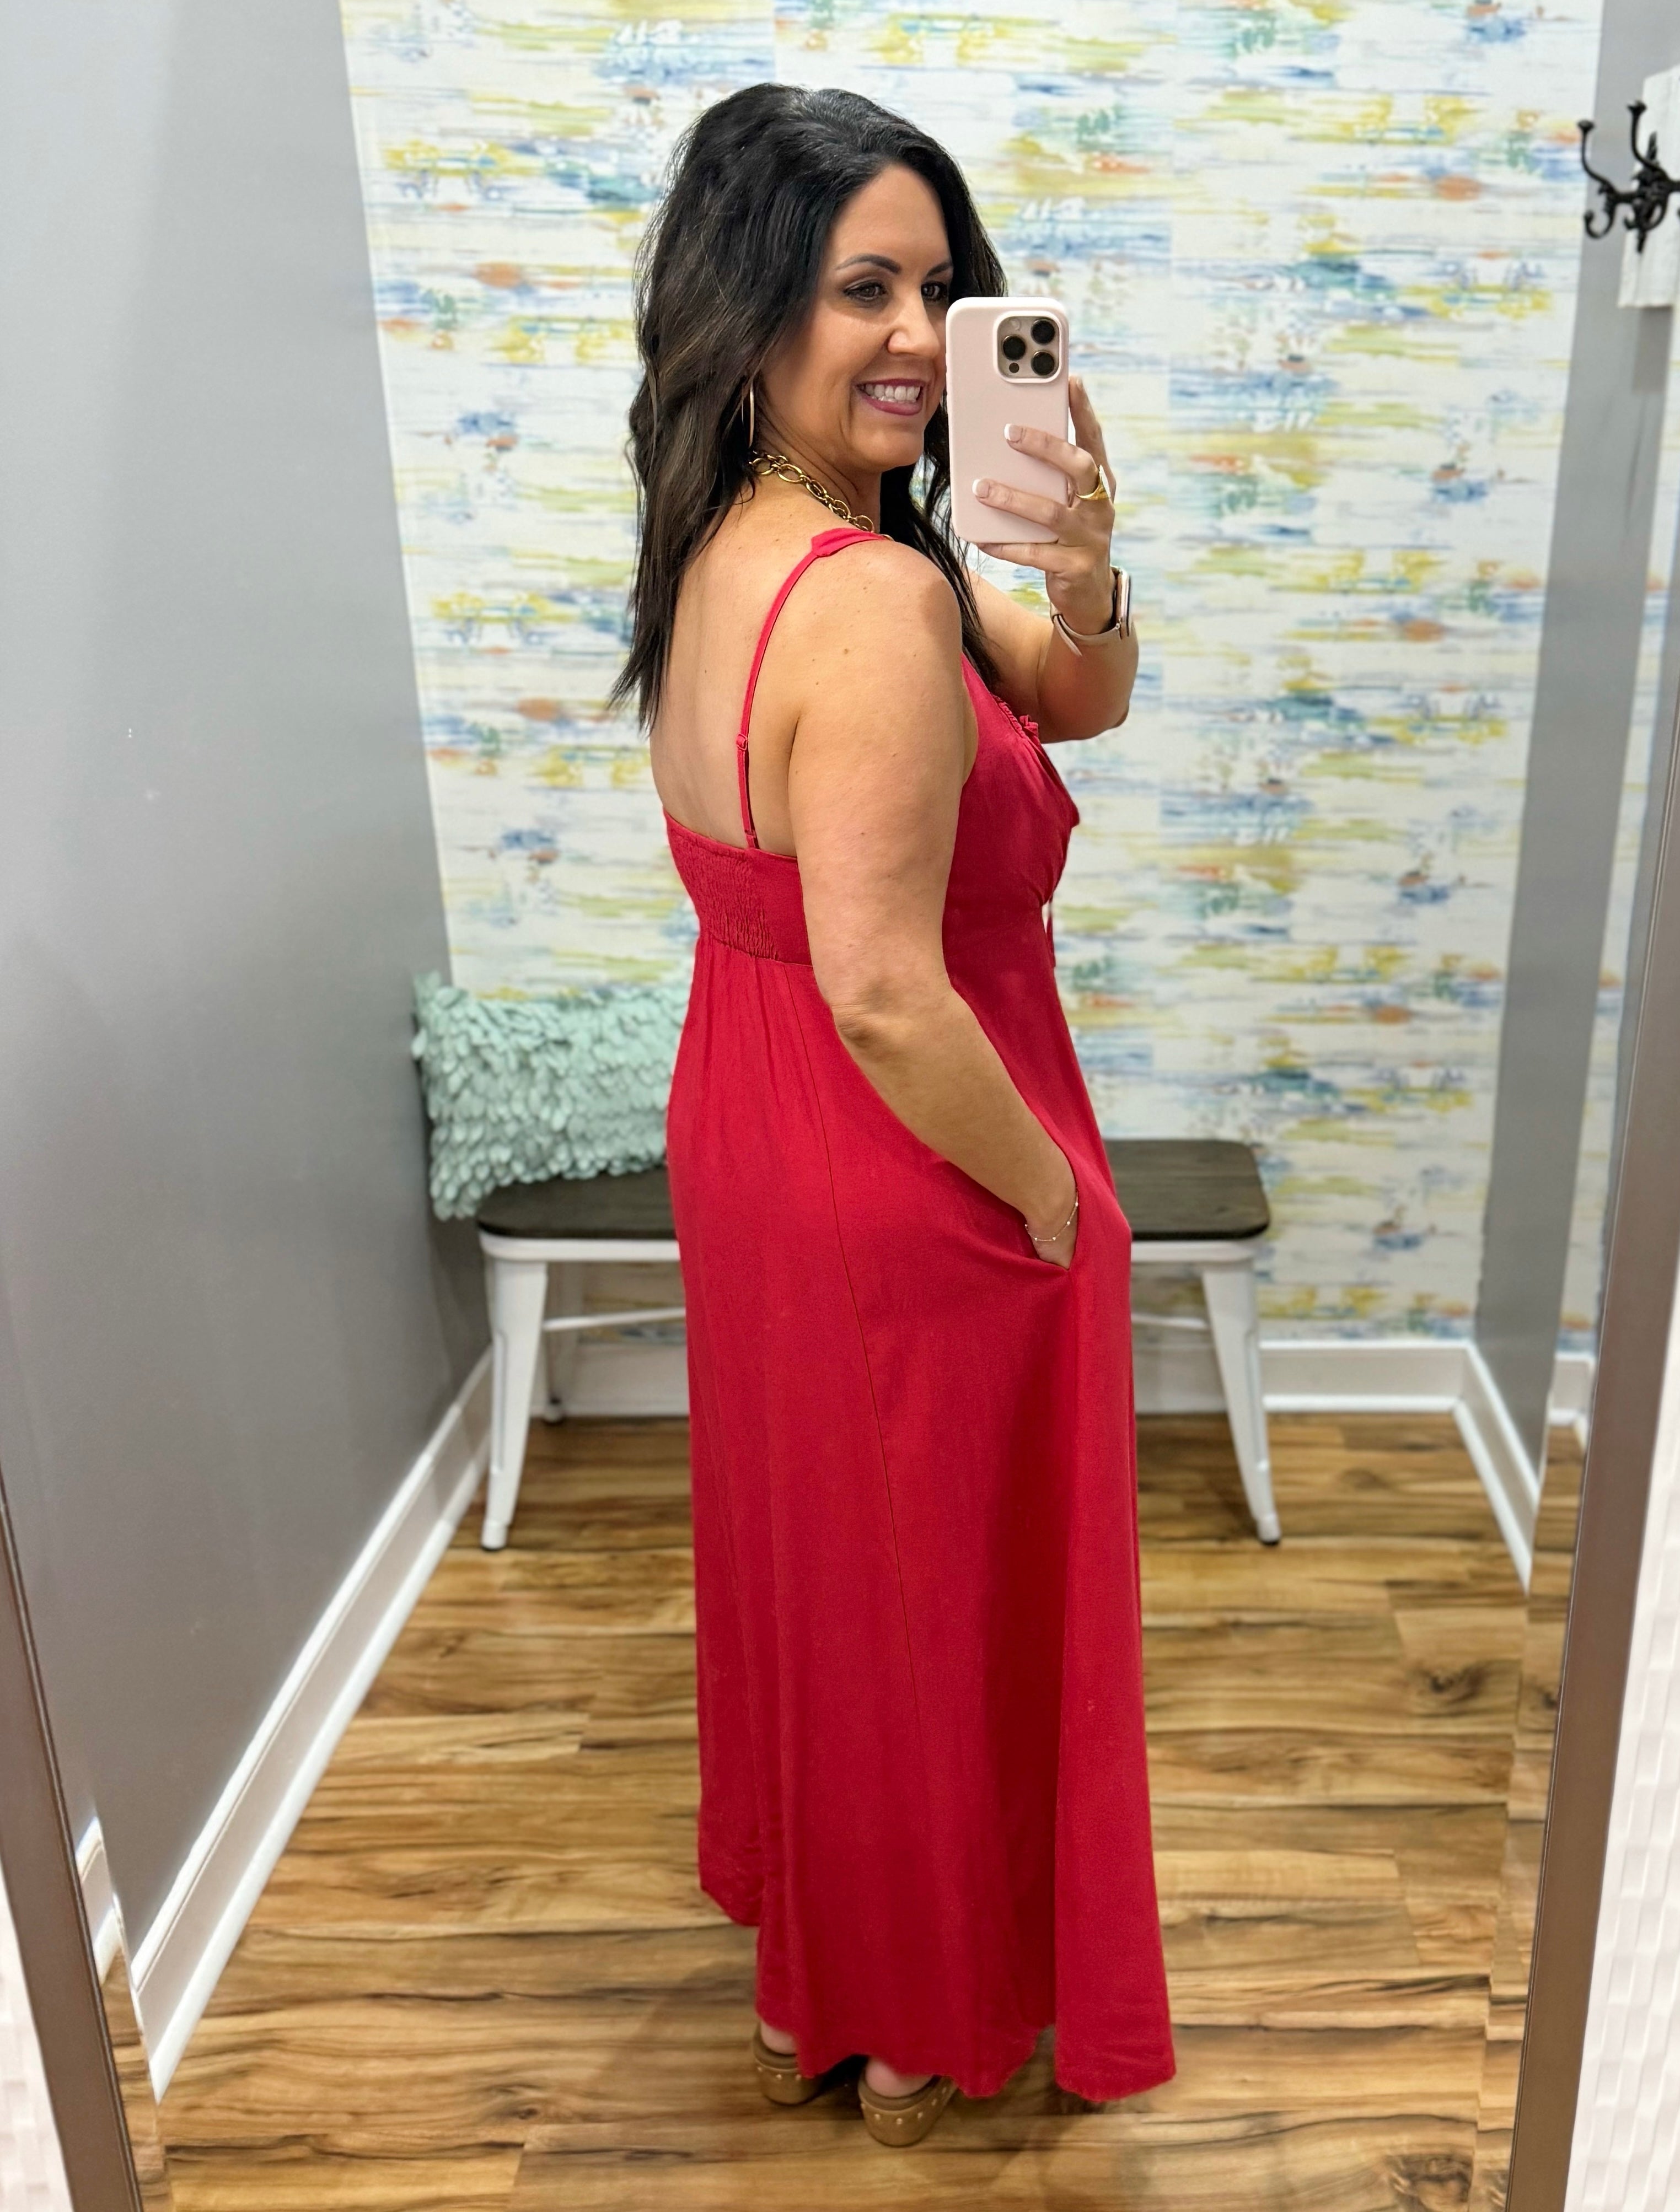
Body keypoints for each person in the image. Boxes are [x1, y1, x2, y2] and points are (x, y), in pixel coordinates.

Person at [615, 80, 1174, 2146]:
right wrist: (1056, 1203)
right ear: (746, 305)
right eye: (865, 287)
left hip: (759, 1127)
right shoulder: (868, 601)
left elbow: (1075, 687)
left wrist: (1093, 565)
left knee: (832, 1575)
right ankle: (928, 2018)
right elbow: (879, 983)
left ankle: (823, 1983)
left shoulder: (756, 550)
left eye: (946, 288)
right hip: (905, 1148)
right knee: (939, 1600)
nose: (924, 339)